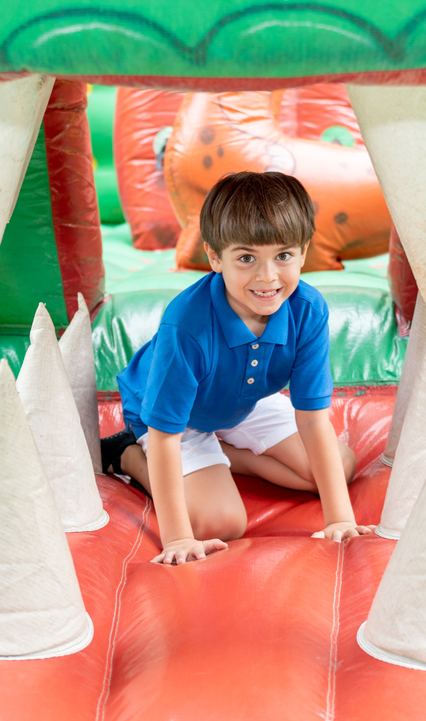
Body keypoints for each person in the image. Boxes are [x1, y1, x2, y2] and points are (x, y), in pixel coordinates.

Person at [103, 171, 373, 565]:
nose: (267, 277)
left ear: (303, 252)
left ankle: (227, 451)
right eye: (246, 258)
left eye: (283, 256)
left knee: (338, 466)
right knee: (220, 521)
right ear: (215, 257)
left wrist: (340, 519)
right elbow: (165, 437)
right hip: (175, 418)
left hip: (240, 402)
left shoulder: (307, 309)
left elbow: (313, 419)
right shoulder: (188, 324)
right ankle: (127, 454)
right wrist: (177, 538)